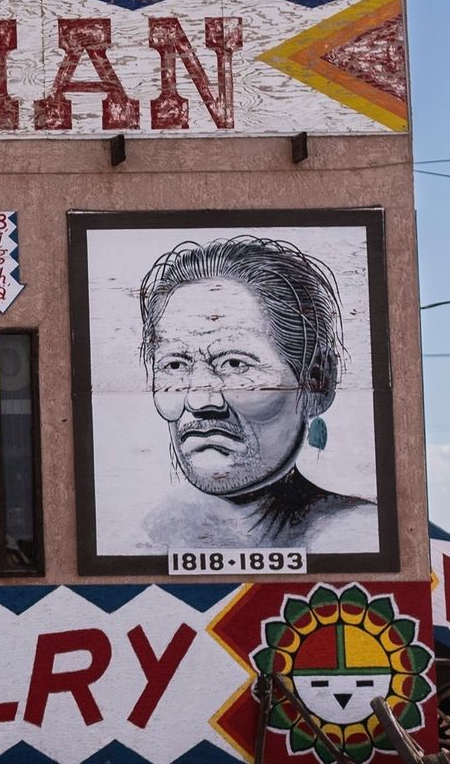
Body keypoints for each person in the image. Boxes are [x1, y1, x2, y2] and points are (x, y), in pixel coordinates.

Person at [133, 235, 375, 553]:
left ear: (318, 381)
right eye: (175, 365)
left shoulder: (359, 533)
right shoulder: (144, 538)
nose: (200, 401)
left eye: (235, 363)